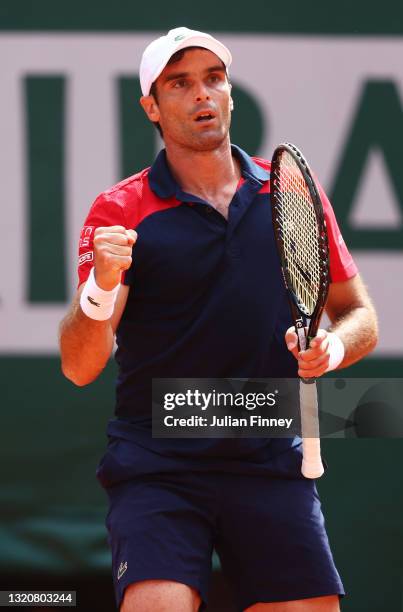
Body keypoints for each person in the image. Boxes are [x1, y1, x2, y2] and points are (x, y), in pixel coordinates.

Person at [59, 27, 378, 612]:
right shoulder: (122, 210)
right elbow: (81, 366)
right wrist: (100, 292)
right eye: (179, 84)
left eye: (214, 78)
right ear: (151, 106)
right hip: (160, 463)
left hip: (269, 457)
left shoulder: (289, 196)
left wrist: (330, 350)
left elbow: (359, 315)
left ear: (230, 92)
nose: (202, 94)